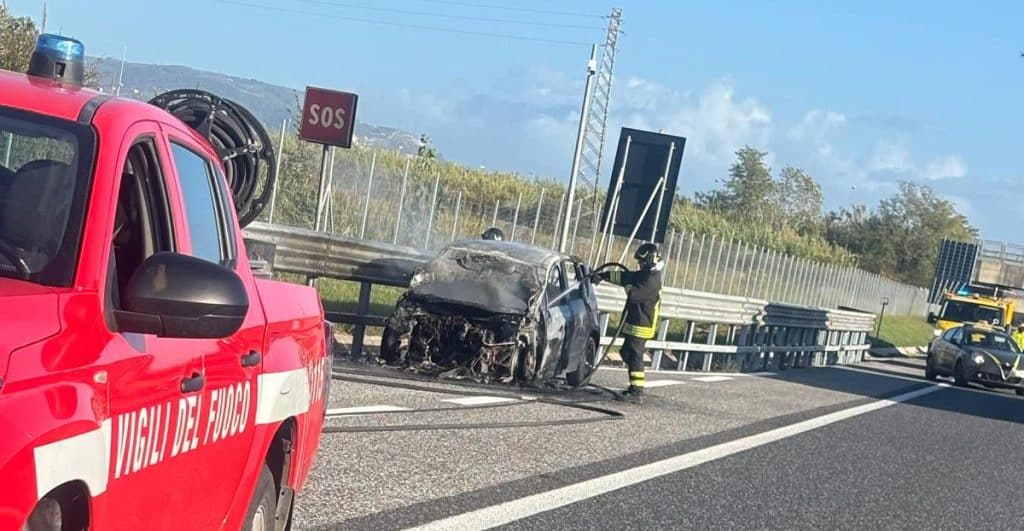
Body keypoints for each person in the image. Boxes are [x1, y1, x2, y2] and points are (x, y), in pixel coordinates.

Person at [592, 242, 664, 404]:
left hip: (642, 325)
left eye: (641, 262)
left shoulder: (652, 280)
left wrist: (628, 286)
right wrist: (603, 276)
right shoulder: (645, 274)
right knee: (626, 353)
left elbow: (633, 295)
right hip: (634, 323)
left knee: (635, 356)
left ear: (650, 260)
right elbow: (625, 277)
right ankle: (635, 384)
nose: (639, 264)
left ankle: (636, 391)